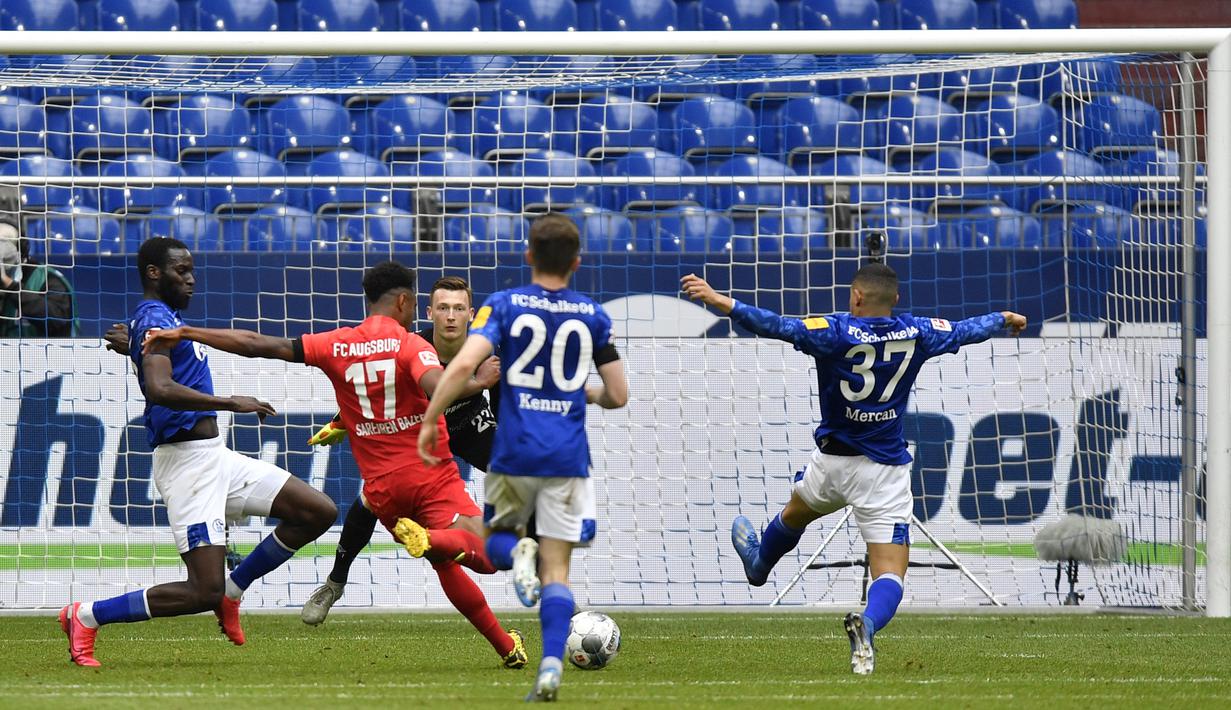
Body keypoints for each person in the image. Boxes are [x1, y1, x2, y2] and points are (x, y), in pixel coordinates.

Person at [142, 260, 528, 670]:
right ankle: (433, 540)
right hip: (427, 474)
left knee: (445, 567)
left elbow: (258, 343)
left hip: (381, 492)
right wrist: (479, 382)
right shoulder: (413, 346)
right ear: (403, 301)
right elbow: (438, 389)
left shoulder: (335, 344)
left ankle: (506, 646)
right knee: (486, 558)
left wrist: (186, 331)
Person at [680, 264, 1027, 676]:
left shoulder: (834, 330)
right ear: (895, 299)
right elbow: (964, 330)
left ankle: (758, 566)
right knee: (890, 571)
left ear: (857, 297)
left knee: (795, 513)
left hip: (831, 464)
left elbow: (776, 325)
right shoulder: (917, 331)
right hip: (884, 473)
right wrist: (1002, 319)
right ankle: (869, 623)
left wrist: (723, 302)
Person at [60, 237, 338, 668]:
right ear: (154, 273)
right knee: (200, 591)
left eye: (191, 271)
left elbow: (155, 358)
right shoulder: (154, 315)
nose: (191, 280)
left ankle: (233, 590)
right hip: (187, 465)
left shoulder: (158, 319)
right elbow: (160, 388)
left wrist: (134, 341)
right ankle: (85, 616)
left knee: (316, 511)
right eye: (180, 271)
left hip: (214, 456)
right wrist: (231, 402)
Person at [418, 213, 628, 702]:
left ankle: (518, 554)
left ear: (529, 256)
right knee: (558, 573)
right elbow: (619, 394)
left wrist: (430, 418)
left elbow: (465, 365)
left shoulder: (503, 306)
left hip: (512, 454)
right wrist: (583, 393)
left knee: (496, 550)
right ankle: (551, 667)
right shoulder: (594, 316)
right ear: (576, 262)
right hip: (568, 459)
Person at [299, 275, 503, 626]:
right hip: (420, 433)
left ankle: (551, 585)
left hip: (469, 426)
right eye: (443, 308)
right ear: (429, 312)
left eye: (458, 309)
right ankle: (335, 582)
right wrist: (339, 423)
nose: (451, 316)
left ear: (471, 314)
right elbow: (374, 394)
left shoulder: (489, 355)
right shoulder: (410, 344)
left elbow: (504, 414)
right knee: (368, 501)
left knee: (521, 480)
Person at [0, 219, 76, 337]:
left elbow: (57, 320)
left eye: (5, 243)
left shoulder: (47, 278)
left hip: (42, 353)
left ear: (21, 249)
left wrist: (11, 286)